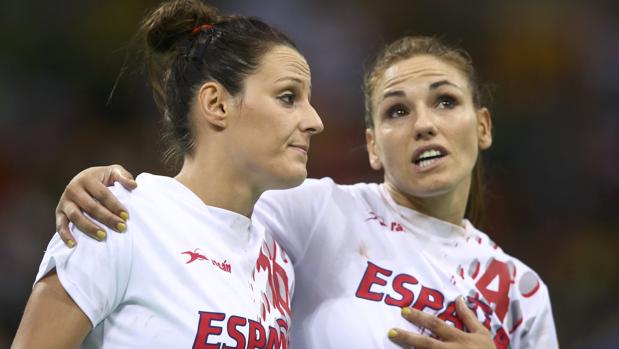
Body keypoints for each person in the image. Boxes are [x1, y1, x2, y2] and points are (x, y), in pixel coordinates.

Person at [51, 37, 559, 348]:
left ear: (484, 126)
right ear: (372, 146)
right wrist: (106, 184)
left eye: (446, 101)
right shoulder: (317, 211)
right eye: (397, 111)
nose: (424, 125)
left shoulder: (521, 290)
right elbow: (201, 202)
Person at [11, 0, 325, 347]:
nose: (314, 121)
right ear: (216, 104)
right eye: (287, 97)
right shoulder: (119, 216)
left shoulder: (275, 260)